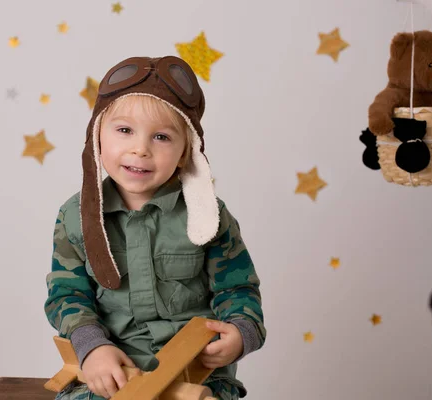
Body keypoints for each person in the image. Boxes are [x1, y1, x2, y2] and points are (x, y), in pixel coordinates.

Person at [44, 55, 266, 400]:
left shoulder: (207, 217)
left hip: (197, 374)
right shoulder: (74, 217)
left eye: (161, 137)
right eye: (124, 130)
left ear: (184, 152)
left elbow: (238, 289)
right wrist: (92, 348)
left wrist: (240, 333)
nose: (140, 149)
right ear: (97, 137)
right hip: (114, 372)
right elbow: (66, 295)